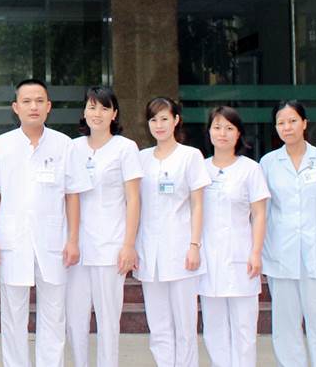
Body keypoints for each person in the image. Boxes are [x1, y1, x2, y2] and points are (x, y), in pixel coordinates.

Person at [0, 79, 88, 367]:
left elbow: (72, 195)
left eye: (40, 101)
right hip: (12, 240)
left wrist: (73, 240)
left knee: (54, 315)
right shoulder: (0, 147)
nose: (34, 106)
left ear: (49, 106)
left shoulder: (64, 145)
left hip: (53, 241)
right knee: (13, 315)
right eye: (27, 101)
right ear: (15, 107)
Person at [261, 100, 316, 367]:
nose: (287, 127)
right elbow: (263, 212)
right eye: (281, 122)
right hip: (280, 252)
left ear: (304, 123)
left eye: (293, 121)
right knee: (285, 326)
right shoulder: (268, 163)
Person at [65, 85, 140, 367]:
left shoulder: (125, 148)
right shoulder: (73, 148)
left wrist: (129, 245)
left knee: (108, 318)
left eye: (104, 108)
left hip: (111, 244)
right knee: (75, 317)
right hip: (76, 245)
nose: (97, 113)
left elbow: (133, 199)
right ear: (84, 111)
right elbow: (69, 195)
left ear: (114, 114)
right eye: (92, 106)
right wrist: (71, 240)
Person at [135, 97, 209, 367]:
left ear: (176, 120)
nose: (159, 125)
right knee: (158, 324)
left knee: (184, 323)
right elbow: (134, 204)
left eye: (165, 118)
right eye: (154, 119)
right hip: (149, 250)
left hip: (181, 248)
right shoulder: (141, 158)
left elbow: (198, 204)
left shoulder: (190, 156)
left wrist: (194, 245)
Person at [198, 106, 269, 367]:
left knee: (244, 328)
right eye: (217, 127)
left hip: (242, 256)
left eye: (229, 128)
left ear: (238, 133)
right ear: (209, 132)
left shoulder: (250, 169)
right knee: (214, 328)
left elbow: (259, 214)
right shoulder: (200, 168)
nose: (222, 133)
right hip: (208, 258)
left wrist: (256, 252)